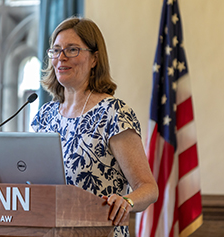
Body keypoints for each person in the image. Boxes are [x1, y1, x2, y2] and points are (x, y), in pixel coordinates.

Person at [31, 17, 158, 237]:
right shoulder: (44, 116)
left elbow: (148, 188)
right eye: (56, 50)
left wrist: (126, 201)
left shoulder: (113, 113)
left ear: (94, 59)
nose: (61, 57)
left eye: (72, 50)